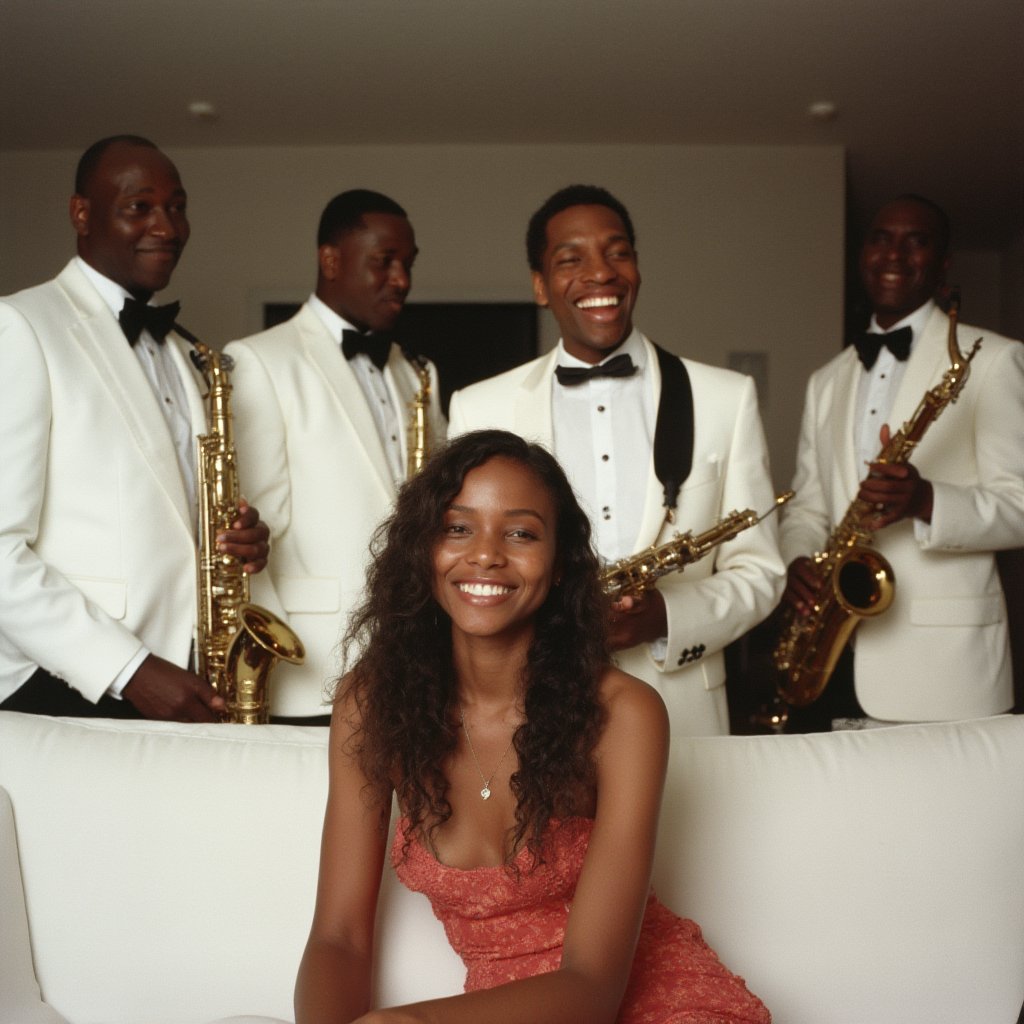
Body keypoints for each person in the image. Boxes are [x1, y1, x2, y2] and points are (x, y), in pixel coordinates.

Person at [295, 429, 770, 1024]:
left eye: (520, 533)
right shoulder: (372, 705)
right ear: (422, 549)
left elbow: (592, 987)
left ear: (563, 564)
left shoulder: (624, 715)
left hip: (649, 1007)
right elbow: (339, 937)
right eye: (457, 527)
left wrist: (409, 1022)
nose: (486, 554)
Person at [447, 185, 784, 737]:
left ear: (638, 268)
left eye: (617, 251)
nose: (600, 273)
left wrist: (666, 618)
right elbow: (463, 561)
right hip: (527, 705)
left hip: (683, 708)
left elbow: (762, 571)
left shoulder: (727, 398)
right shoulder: (478, 406)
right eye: (570, 259)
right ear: (540, 285)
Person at [0, 134, 270, 720]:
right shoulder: (21, 325)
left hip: (186, 672)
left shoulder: (184, 349)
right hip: (71, 681)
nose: (167, 227)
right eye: (139, 207)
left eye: (177, 206)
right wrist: (128, 669)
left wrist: (239, 536)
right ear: (81, 213)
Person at [778, 194, 1024, 729]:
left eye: (917, 240)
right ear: (863, 252)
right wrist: (798, 559)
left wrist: (927, 500)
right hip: (839, 658)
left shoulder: (995, 360)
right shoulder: (826, 380)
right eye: (881, 237)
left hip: (950, 672)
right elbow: (807, 508)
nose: (895, 253)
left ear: (942, 263)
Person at [224, 190, 445, 722]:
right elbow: (252, 530)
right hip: (310, 663)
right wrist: (268, 664)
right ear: (330, 260)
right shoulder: (258, 359)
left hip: (416, 661)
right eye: (384, 262)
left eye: (408, 264)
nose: (402, 280)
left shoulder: (419, 373)